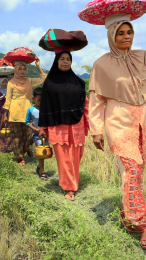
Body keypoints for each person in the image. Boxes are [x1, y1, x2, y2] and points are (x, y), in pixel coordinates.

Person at [89, 2, 146, 249]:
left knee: (137, 172)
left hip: (143, 121)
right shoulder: (101, 64)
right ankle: (141, 225)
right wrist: (95, 130)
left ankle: (127, 213)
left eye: (129, 32)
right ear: (111, 35)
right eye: (120, 33)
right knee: (132, 170)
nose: (126, 37)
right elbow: (95, 101)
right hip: (118, 122)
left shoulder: (142, 56)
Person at [38, 50, 89, 199]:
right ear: (56, 61)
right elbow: (45, 106)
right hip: (58, 125)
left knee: (76, 156)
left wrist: (90, 124)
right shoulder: (49, 83)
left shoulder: (78, 82)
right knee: (64, 157)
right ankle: (69, 188)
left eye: (68, 59)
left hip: (77, 126)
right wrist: (43, 127)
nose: (65, 61)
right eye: (62, 59)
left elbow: (85, 104)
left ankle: (70, 181)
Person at [3, 59, 47, 164]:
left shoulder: (29, 81)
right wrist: (5, 114)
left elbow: (44, 78)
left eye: (24, 69)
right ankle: (20, 157)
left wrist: (38, 66)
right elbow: (8, 99)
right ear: (16, 70)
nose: (22, 71)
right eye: (20, 69)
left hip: (28, 112)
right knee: (17, 137)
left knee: (30, 135)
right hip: (15, 112)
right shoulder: (11, 83)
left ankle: (26, 148)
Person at [26, 87, 50, 180]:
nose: (41, 102)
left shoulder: (47, 110)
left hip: (45, 134)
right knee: (41, 151)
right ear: (33, 98)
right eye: (39, 100)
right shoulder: (31, 109)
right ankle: (42, 172)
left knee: (45, 153)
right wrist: (36, 130)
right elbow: (27, 122)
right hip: (36, 134)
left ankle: (39, 167)